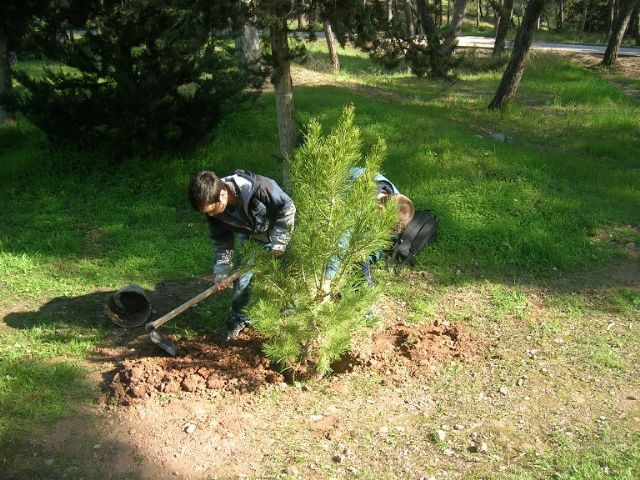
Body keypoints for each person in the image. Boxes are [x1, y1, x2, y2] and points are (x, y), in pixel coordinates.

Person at [188, 169, 296, 340]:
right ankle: (239, 317)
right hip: (252, 235)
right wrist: (222, 271)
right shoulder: (211, 208)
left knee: (288, 275)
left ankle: (292, 319)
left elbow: (287, 206)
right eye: (206, 212)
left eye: (212, 210)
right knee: (242, 278)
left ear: (223, 195)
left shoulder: (259, 187)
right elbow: (222, 241)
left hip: (280, 228)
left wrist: (280, 241)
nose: (210, 215)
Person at [323, 167, 414, 291]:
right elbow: (342, 242)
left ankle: (363, 288)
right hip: (332, 192)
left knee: (363, 251)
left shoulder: (396, 197)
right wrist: (327, 280)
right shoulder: (359, 202)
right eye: (384, 224)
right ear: (380, 208)